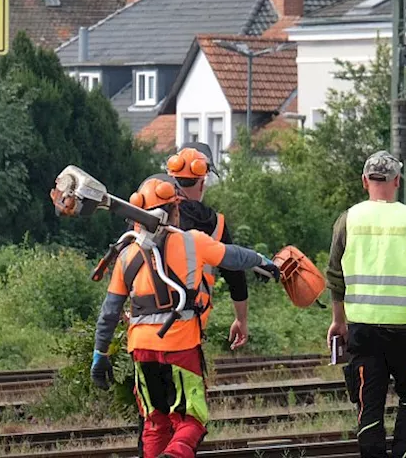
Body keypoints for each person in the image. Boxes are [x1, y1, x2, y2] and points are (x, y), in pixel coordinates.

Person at [90, 176, 281, 458]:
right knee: (191, 419)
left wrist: (100, 354)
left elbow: (109, 313)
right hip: (179, 345)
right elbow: (234, 257)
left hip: (141, 349)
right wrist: (263, 260)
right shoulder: (193, 242)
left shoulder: (126, 255)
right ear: (174, 211)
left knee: (156, 422)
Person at [326, 151, 406, 458]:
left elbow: (335, 276)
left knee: (368, 403)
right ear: (397, 182)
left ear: (365, 181)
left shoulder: (347, 220)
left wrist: (339, 321)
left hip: (363, 330)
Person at [164, 142, 251, 350]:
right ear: (202, 184)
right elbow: (235, 274)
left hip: (146, 319)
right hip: (191, 319)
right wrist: (241, 320)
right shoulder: (214, 223)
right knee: (188, 382)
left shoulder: (151, 215)